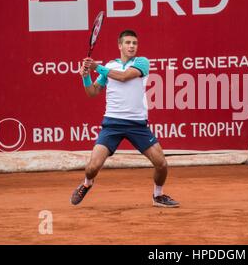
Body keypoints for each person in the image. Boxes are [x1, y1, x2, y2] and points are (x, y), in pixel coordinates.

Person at [70, 30, 179, 207]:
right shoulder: (110, 66)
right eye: (127, 43)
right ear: (120, 45)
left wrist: (96, 67)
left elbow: (123, 77)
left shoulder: (142, 62)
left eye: (134, 43)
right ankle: (86, 184)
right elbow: (92, 92)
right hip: (112, 124)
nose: (131, 46)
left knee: (161, 164)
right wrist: (86, 77)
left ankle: (158, 195)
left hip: (137, 125)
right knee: (92, 168)